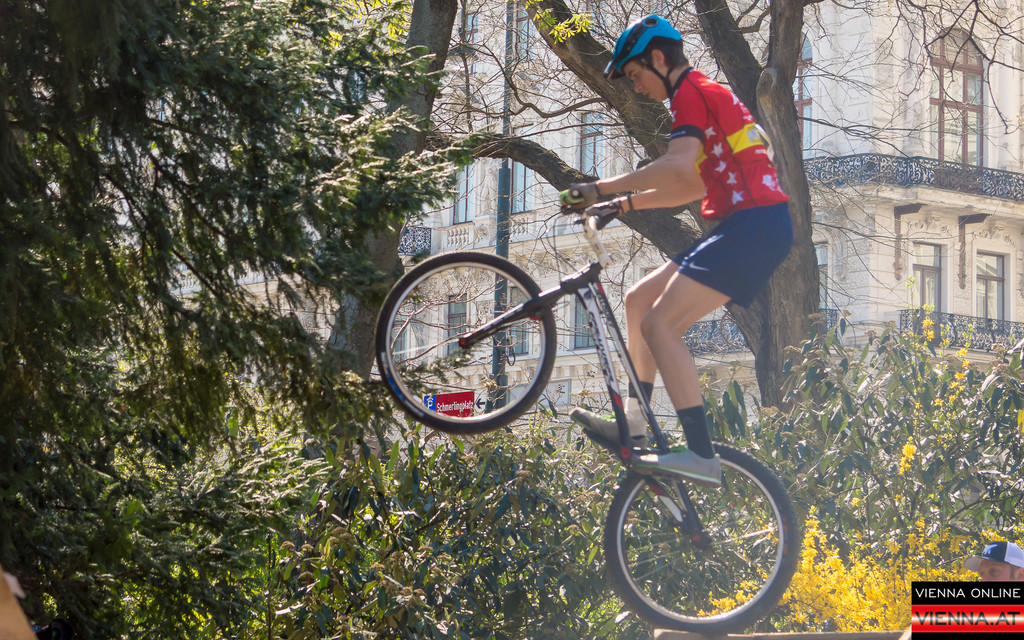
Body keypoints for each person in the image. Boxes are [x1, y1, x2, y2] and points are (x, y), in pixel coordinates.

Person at [560, 14, 792, 487]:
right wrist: (623, 204)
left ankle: (702, 454)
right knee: (638, 301)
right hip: (752, 224)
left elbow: (677, 164)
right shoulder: (705, 94)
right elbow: (690, 183)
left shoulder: (690, 92)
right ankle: (633, 425)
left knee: (658, 325)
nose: (636, 87)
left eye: (635, 74)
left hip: (753, 225)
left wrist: (599, 188)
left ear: (658, 59)